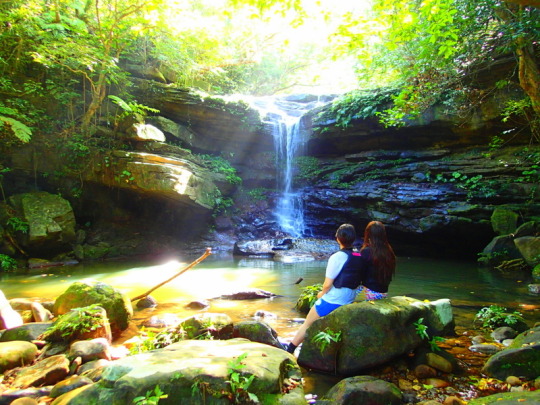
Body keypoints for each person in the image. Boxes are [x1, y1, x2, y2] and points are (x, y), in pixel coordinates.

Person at [285, 221, 396, 354]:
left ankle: (290, 348)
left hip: (365, 294)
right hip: (382, 293)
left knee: (310, 319)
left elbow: (345, 278)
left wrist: (322, 292)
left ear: (338, 238)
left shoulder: (364, 252)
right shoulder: (388, 252)